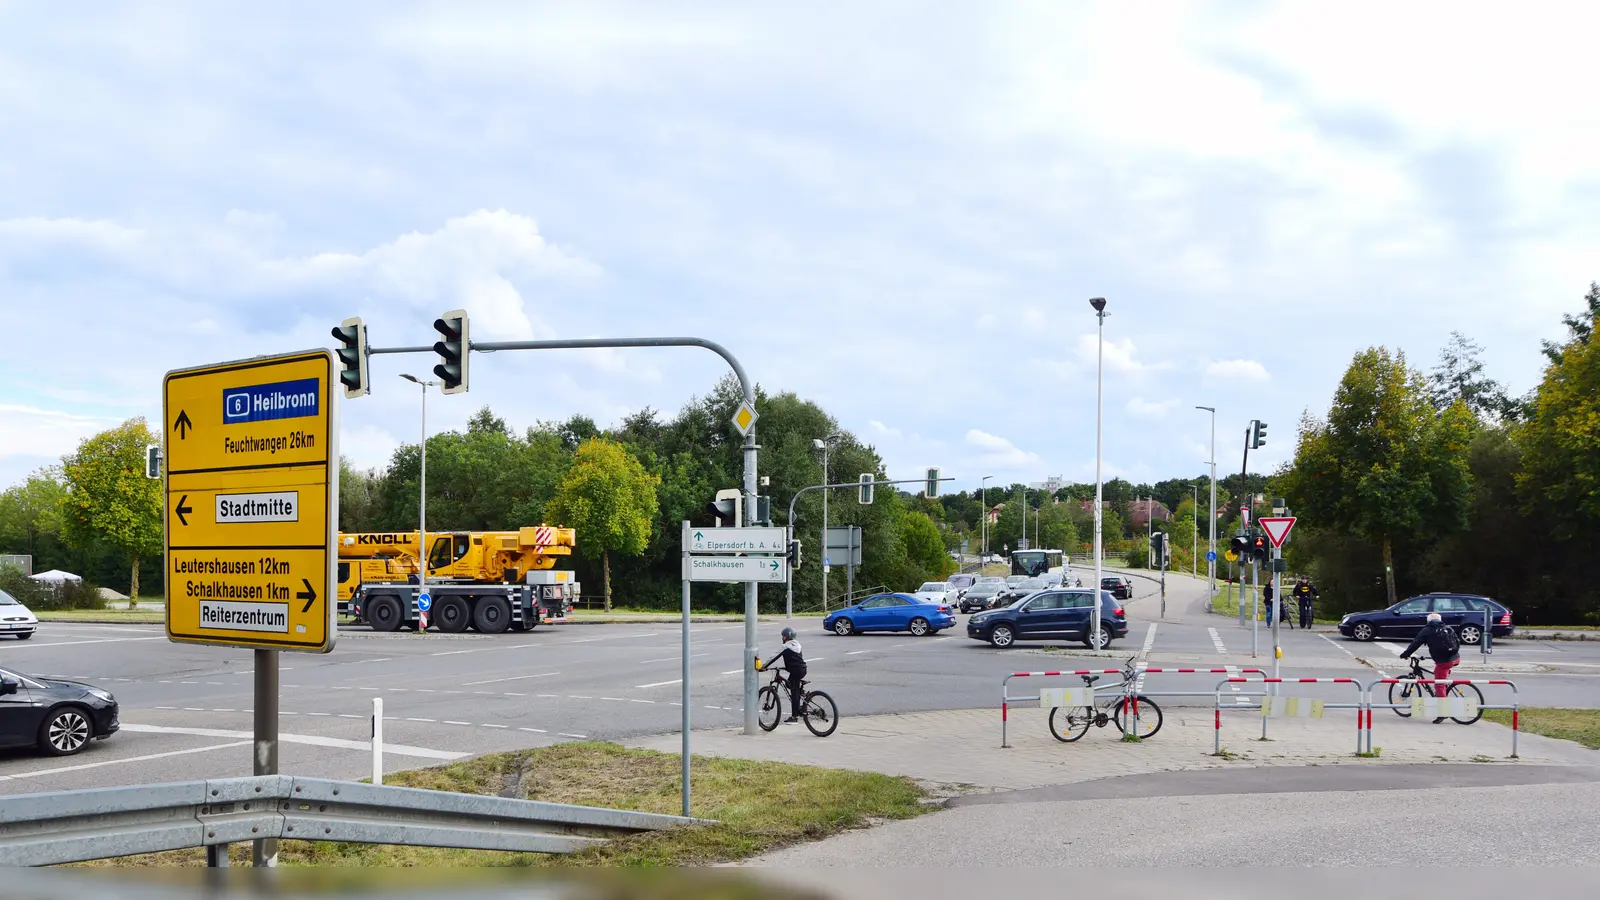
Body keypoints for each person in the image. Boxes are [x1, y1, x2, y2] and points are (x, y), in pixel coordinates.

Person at [1399, 612, 1462, 723]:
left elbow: (1416, 643)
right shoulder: (1448, 627)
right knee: (1440, 673)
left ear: (1428, 621)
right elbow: (1457, 642)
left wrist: (1406, 654)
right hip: (1456, 658)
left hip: (1444, 662)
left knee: (1439, 684)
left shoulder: (1427, 630)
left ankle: (1443, 713)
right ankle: (1445, 685)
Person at [762, 626, 808, 723]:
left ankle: (794, 717)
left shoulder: (786, 646)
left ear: (786, 637)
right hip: (803, 669)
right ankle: (802, 694)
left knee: (794, 692)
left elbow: (773, 657)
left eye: (783, 636)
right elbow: (796, 660)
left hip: (796, 671)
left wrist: (764, 666)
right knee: (789, 684)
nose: (782, 638)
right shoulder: (797, 645)